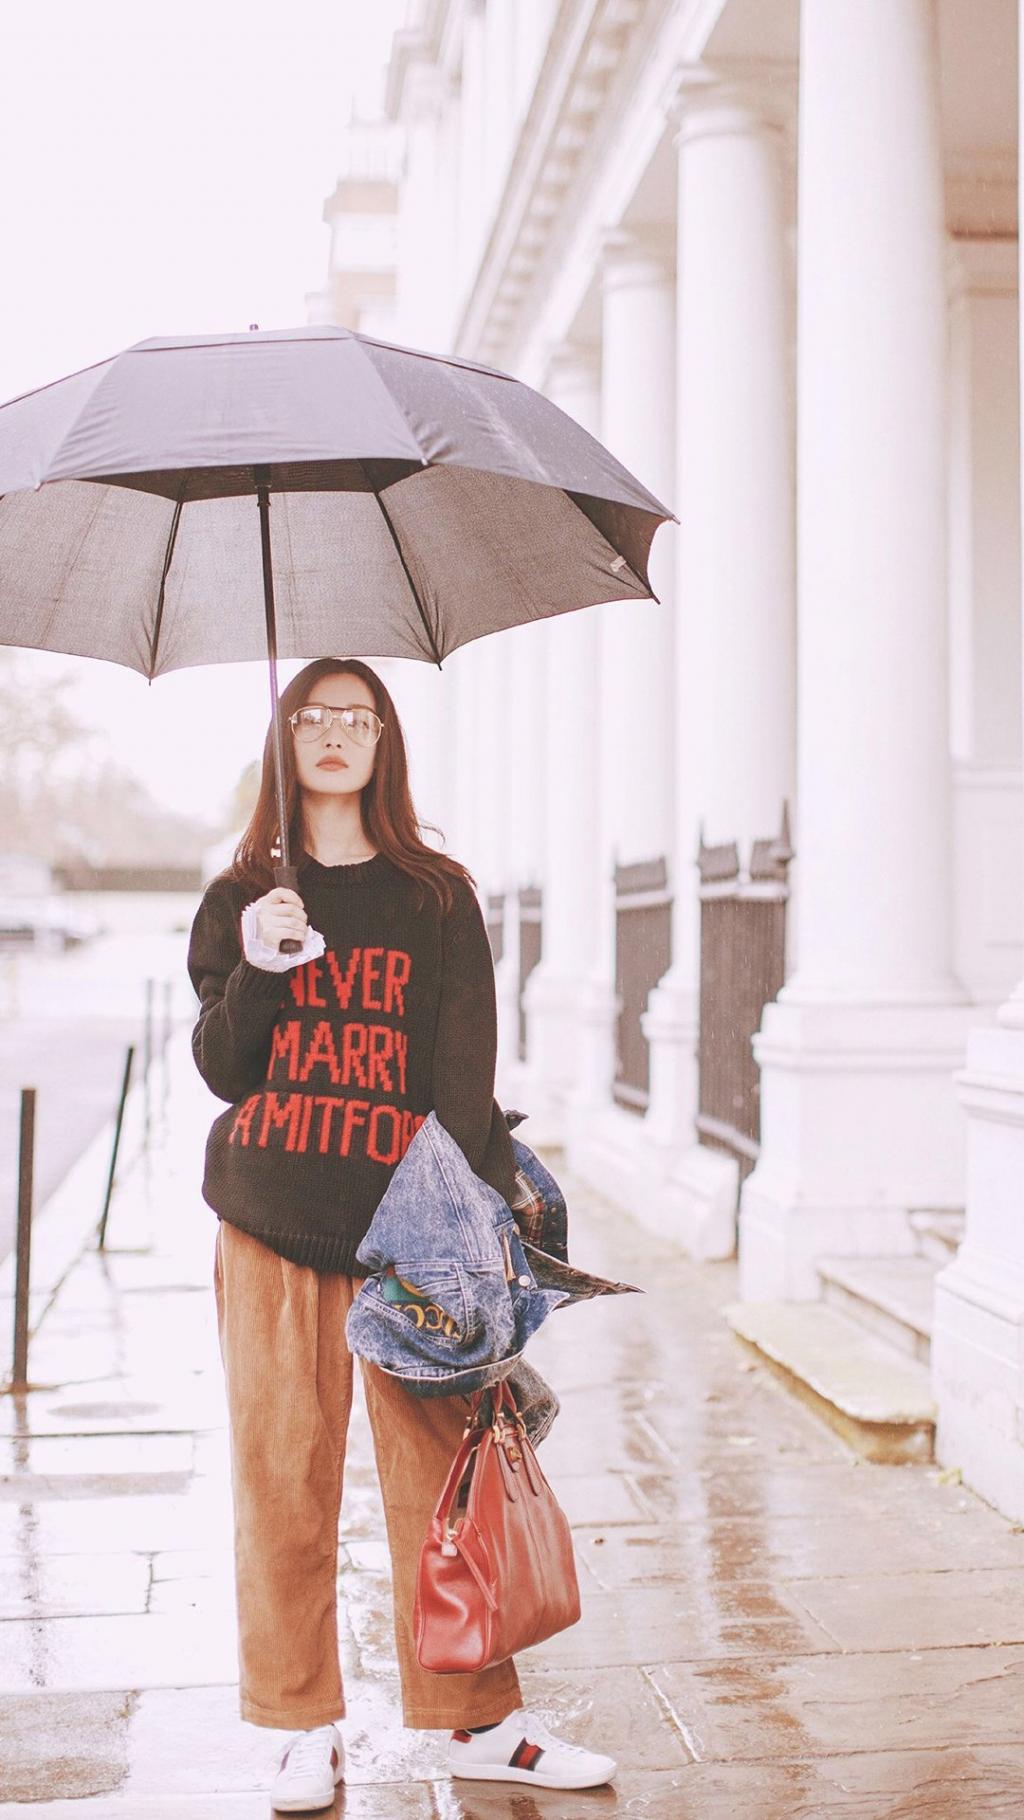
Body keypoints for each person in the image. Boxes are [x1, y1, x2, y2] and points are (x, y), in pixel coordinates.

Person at [186, 656, 617, 1810]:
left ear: (385, 742)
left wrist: (466, 1239)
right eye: (313, 716)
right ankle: (299, 1725)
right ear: (285, 739)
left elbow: (463, 1081)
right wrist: (260, 966)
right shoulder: (241, 897)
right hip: (270, 1220)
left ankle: (482, 1721)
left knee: (446, 1482)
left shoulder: (436, 894)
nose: (336, 732)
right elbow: (223, 1066)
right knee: (282, 1480)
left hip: (406, 1232)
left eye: (359, 717)